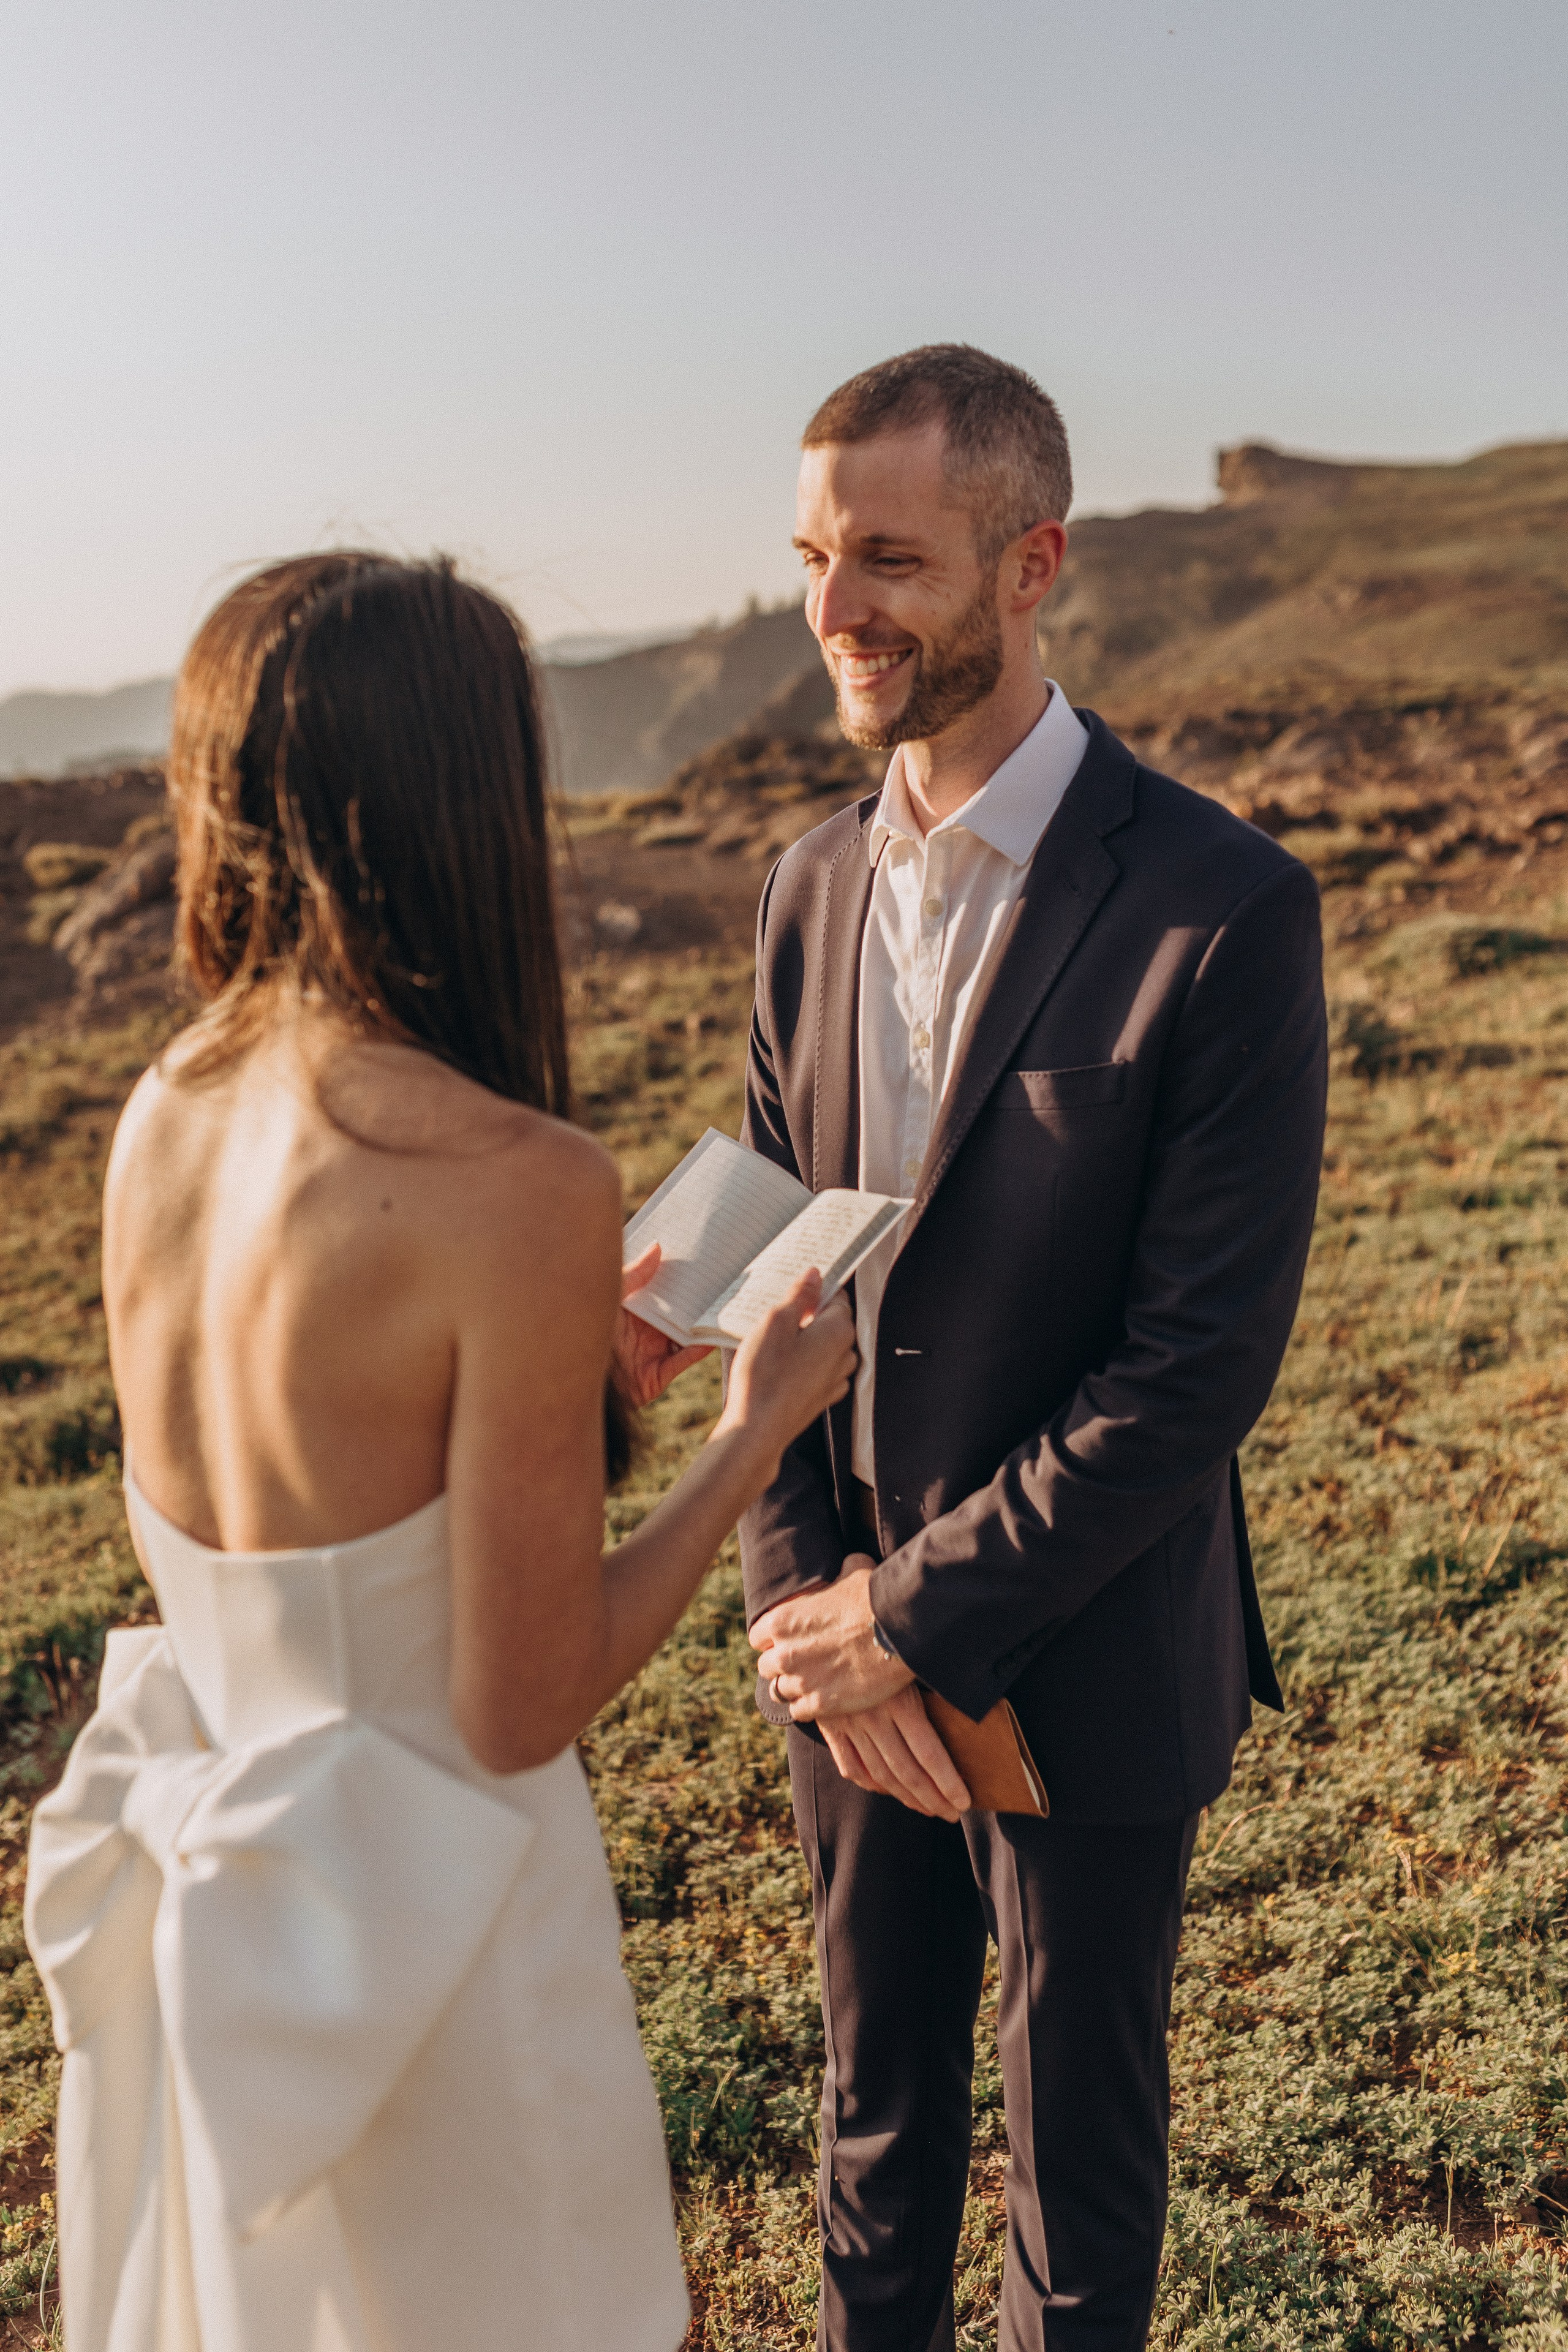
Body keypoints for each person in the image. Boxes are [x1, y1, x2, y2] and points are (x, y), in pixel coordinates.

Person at [23, 552, 856, 2352]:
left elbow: (307, 1475)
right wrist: (750, 1432)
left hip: (218, 1918)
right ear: (467, 802)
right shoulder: (515, 1184)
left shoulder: (162, 1114)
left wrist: (564, 1372)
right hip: (439, 1936)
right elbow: (516, 1701)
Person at [743, 345, 1329, 2351]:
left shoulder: (1225, 909)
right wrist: (813, 1621)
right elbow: (775, 1293)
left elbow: (1195, 1371)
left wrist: (915, 1617)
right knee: (874, 2132)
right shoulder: (800, 893)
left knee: (1076, 2189)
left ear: (1033, 564)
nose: (836, 610)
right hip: (841, 1661)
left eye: (890, 560)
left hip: (1090, 1651)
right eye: (814, 559)